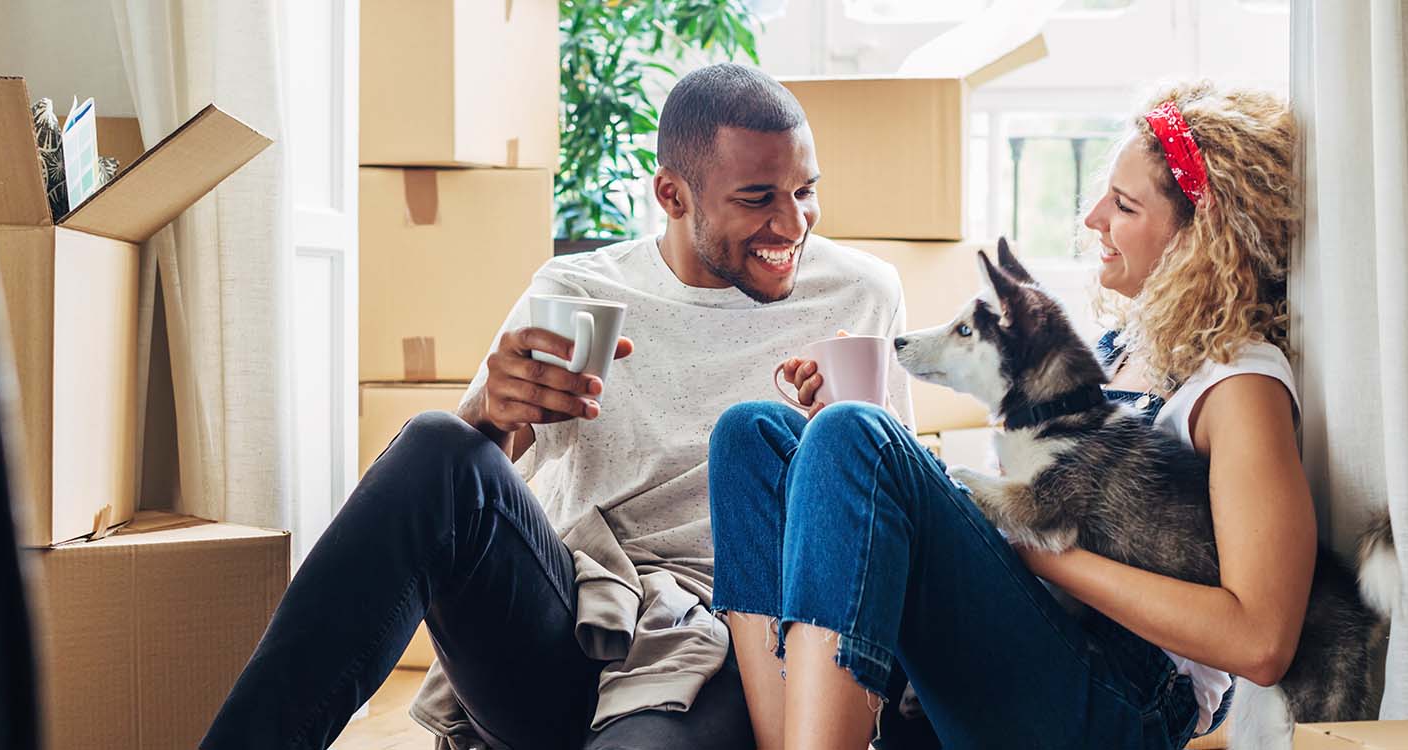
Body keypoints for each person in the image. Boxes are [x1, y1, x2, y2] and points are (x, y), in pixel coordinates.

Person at [201, 63, 933, 750]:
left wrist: (835, 433)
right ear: (672, 196)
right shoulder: (579, 290)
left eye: (805, 190)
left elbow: (887, 522)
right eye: (758, 198)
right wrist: (493, 412)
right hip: (574, 620)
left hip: (735, 638)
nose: (794, 224)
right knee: (436, 445)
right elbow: (455, 497)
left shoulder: (862, 292)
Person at [710, 81, 1305, 749]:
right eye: (1104, 193)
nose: (1093, 220)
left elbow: (1260, 641)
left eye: (1126, 204)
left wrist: (1042, 551)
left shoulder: (1238, 383)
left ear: (1205, 237)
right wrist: (842, 458)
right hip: (1034, 639)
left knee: (857, 438)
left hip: (1122, 695)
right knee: (753, 435)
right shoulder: (1117, 353)